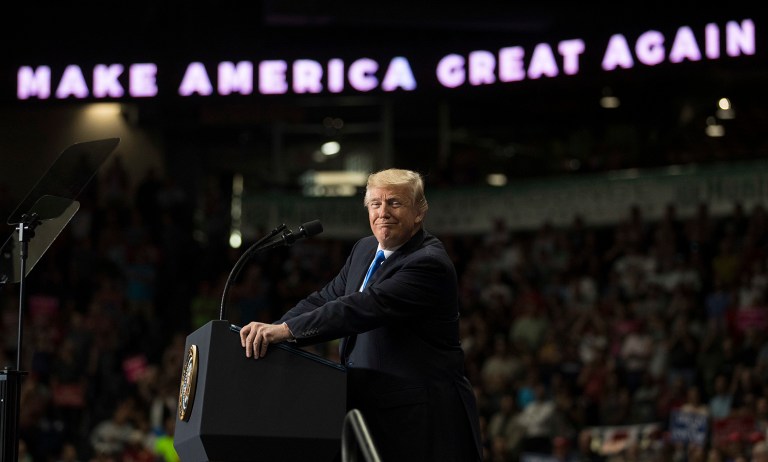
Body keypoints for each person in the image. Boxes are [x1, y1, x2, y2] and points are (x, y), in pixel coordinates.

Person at [239, 168, 482, 461]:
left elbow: (361, 307)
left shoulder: (428, 263)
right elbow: (325, 298)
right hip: (371, 415)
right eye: (376, 204)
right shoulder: (365, 249)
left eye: (395, 203)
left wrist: (288, 331)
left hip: (420, 421)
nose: (384, 212)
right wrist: (271, 330)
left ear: (419, 212)